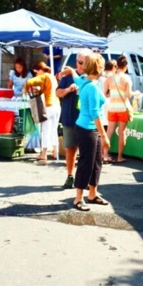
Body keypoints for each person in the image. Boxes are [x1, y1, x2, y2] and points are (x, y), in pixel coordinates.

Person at [62, 53, 110, 211]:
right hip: (88, 128)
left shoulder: (85, 81)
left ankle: (92, 194)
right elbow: (95, 114)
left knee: (96, 162)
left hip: (89, 127)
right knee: (86, 162)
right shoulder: (91, 87)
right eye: (102, 65)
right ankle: (78, 198)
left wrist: (71, 71)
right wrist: (104, 136)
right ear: (99, 67)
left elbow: (76, 77)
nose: (104, 68)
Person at [56, 48, 92, 188]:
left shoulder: (92, 78)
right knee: (70, 148)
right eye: (79, 62)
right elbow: (58, 93)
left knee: (86, 151)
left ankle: (84, 178)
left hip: (86, 120)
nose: (81, 65)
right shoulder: (67, 77)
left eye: (84, 62)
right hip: (70, 117)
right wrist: (68, 90)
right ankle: (70, 176)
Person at [24, 61, 61, 161]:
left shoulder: (44, 76)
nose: (36, 74)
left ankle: (44, 154)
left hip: (48, 106)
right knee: (54, 130)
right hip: (57, 105)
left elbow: (29, 82)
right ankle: (55, 152)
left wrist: (26, 89)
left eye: (36, 72)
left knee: (45, 131)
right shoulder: (52, 76)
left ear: (38, 70)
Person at [102, 55, 133, 164]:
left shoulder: (109, 78)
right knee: (122, 132)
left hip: (112, 108)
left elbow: (105, 93)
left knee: (109, 132)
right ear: (125, 66)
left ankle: (105, 154)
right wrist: (135, 93)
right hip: (123, 108)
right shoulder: (126, 78)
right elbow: (128, 95)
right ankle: (120, 156)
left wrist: (112, 94)